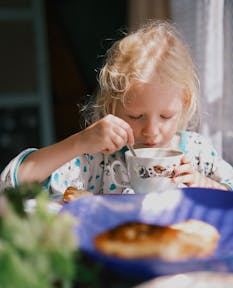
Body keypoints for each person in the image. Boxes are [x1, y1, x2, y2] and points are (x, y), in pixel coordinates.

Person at [1, 20, 233, 194]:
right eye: (135, 116)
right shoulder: (100, 159)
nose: (151, 131)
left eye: (165, 116)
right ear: (112, 108)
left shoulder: (197, 153)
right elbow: (12, 184)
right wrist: (80, 142)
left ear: (184, 104)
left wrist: (204, 184)